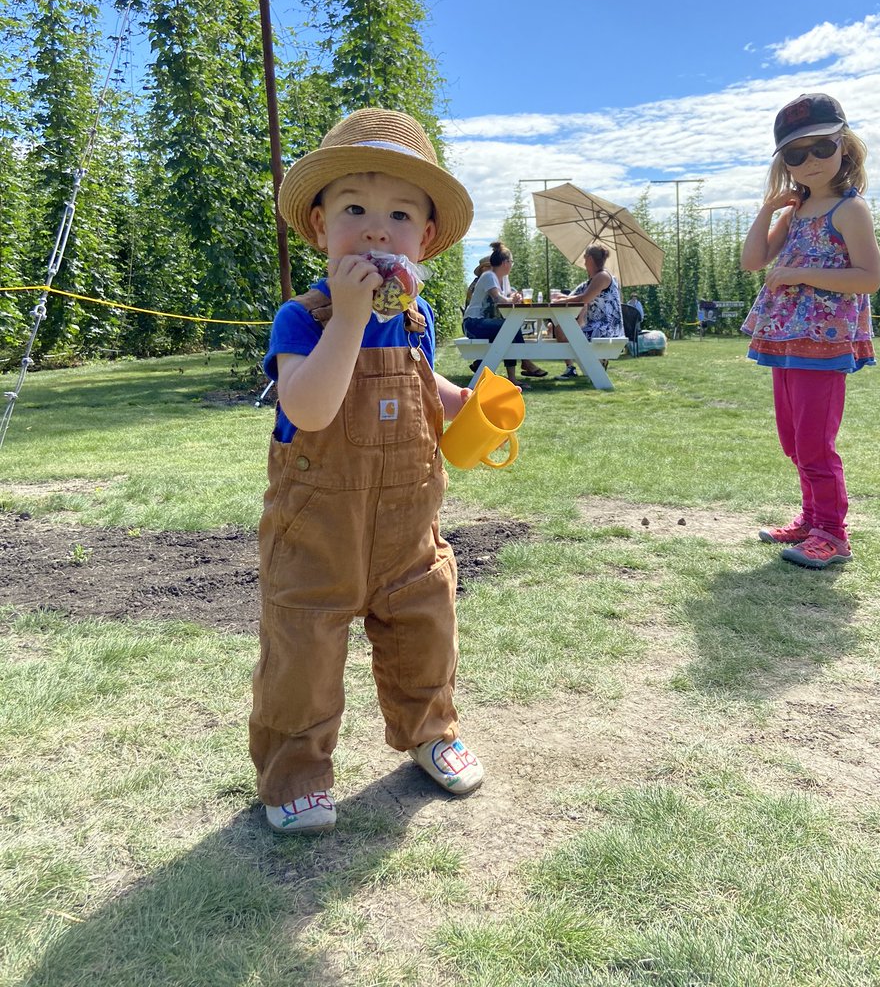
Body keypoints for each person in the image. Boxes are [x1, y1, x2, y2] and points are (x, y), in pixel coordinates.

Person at [250, 108, 484, 835]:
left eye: (399, 215)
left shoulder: (417, 321)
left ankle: (430, 733)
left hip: (407, 522)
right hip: (319, 525)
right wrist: (348, 317)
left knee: (425, 625)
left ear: (427, 239)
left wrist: (462, 401)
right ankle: (295, 772)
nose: (377, 230)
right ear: (321, 228)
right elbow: (311, 408)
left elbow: (420, 385)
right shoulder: (305, 319)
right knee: (304, 644)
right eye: (355, 210)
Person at [741, 93, 880, 569]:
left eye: (822, 147)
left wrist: (800, 274)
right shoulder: (794, 212)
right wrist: (768, 210)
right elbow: (752, 261)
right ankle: (811, 519)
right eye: (796, 154)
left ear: (844, 146)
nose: (811, 161)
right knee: (794, 440)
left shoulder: (849, 210)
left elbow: (868, 277)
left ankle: (833, 534)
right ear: (785, 164)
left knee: (816, 442)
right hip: (785, 340)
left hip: (823, 344)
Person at [462, 242, 548, 383]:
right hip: (473, 323)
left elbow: (508, 296)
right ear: (506, 263)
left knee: (509, 330)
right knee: (510, 327)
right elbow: (498, 298)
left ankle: (513, 377)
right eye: (511, 261)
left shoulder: (504, 279)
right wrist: (510, 299)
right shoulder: (488, 276)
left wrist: (516, 297)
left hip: (486, 323)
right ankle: (525, 362)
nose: (512, 265)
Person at [552, 244, 625, 378]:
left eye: (585, 258)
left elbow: (584, 298)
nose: (584, 262)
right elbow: (575, 296)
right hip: (596, 327)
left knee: (561, 329)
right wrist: (563, 298)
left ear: (590, 259)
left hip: (605, 329)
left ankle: (574, 367)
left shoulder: (603, 276)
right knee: (558, 328)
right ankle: (582, 366)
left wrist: (561, 301)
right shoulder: (590, 282)